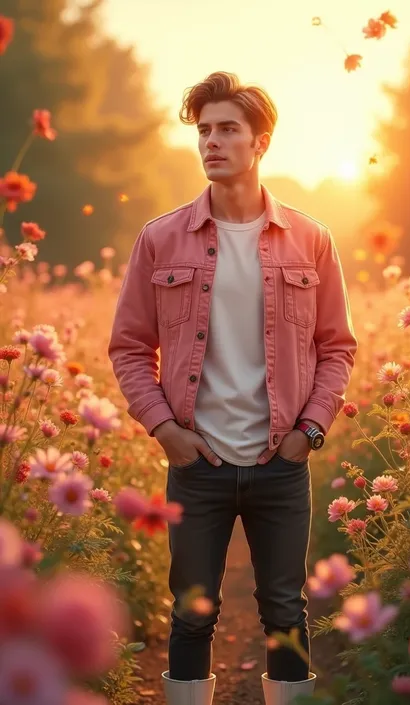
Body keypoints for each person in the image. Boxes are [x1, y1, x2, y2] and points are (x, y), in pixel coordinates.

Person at [108, 71, 357, 705]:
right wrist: (167, 431)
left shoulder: (311, 238)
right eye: (203, 131)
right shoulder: (160, 238)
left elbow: (337, 347)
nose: (211, 142)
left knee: (284, 612)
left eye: (227, 130)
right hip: (198, 463)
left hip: (280, 461)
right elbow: (130, 347)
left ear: (260, 141)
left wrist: (309, 433)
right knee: (192, 613)